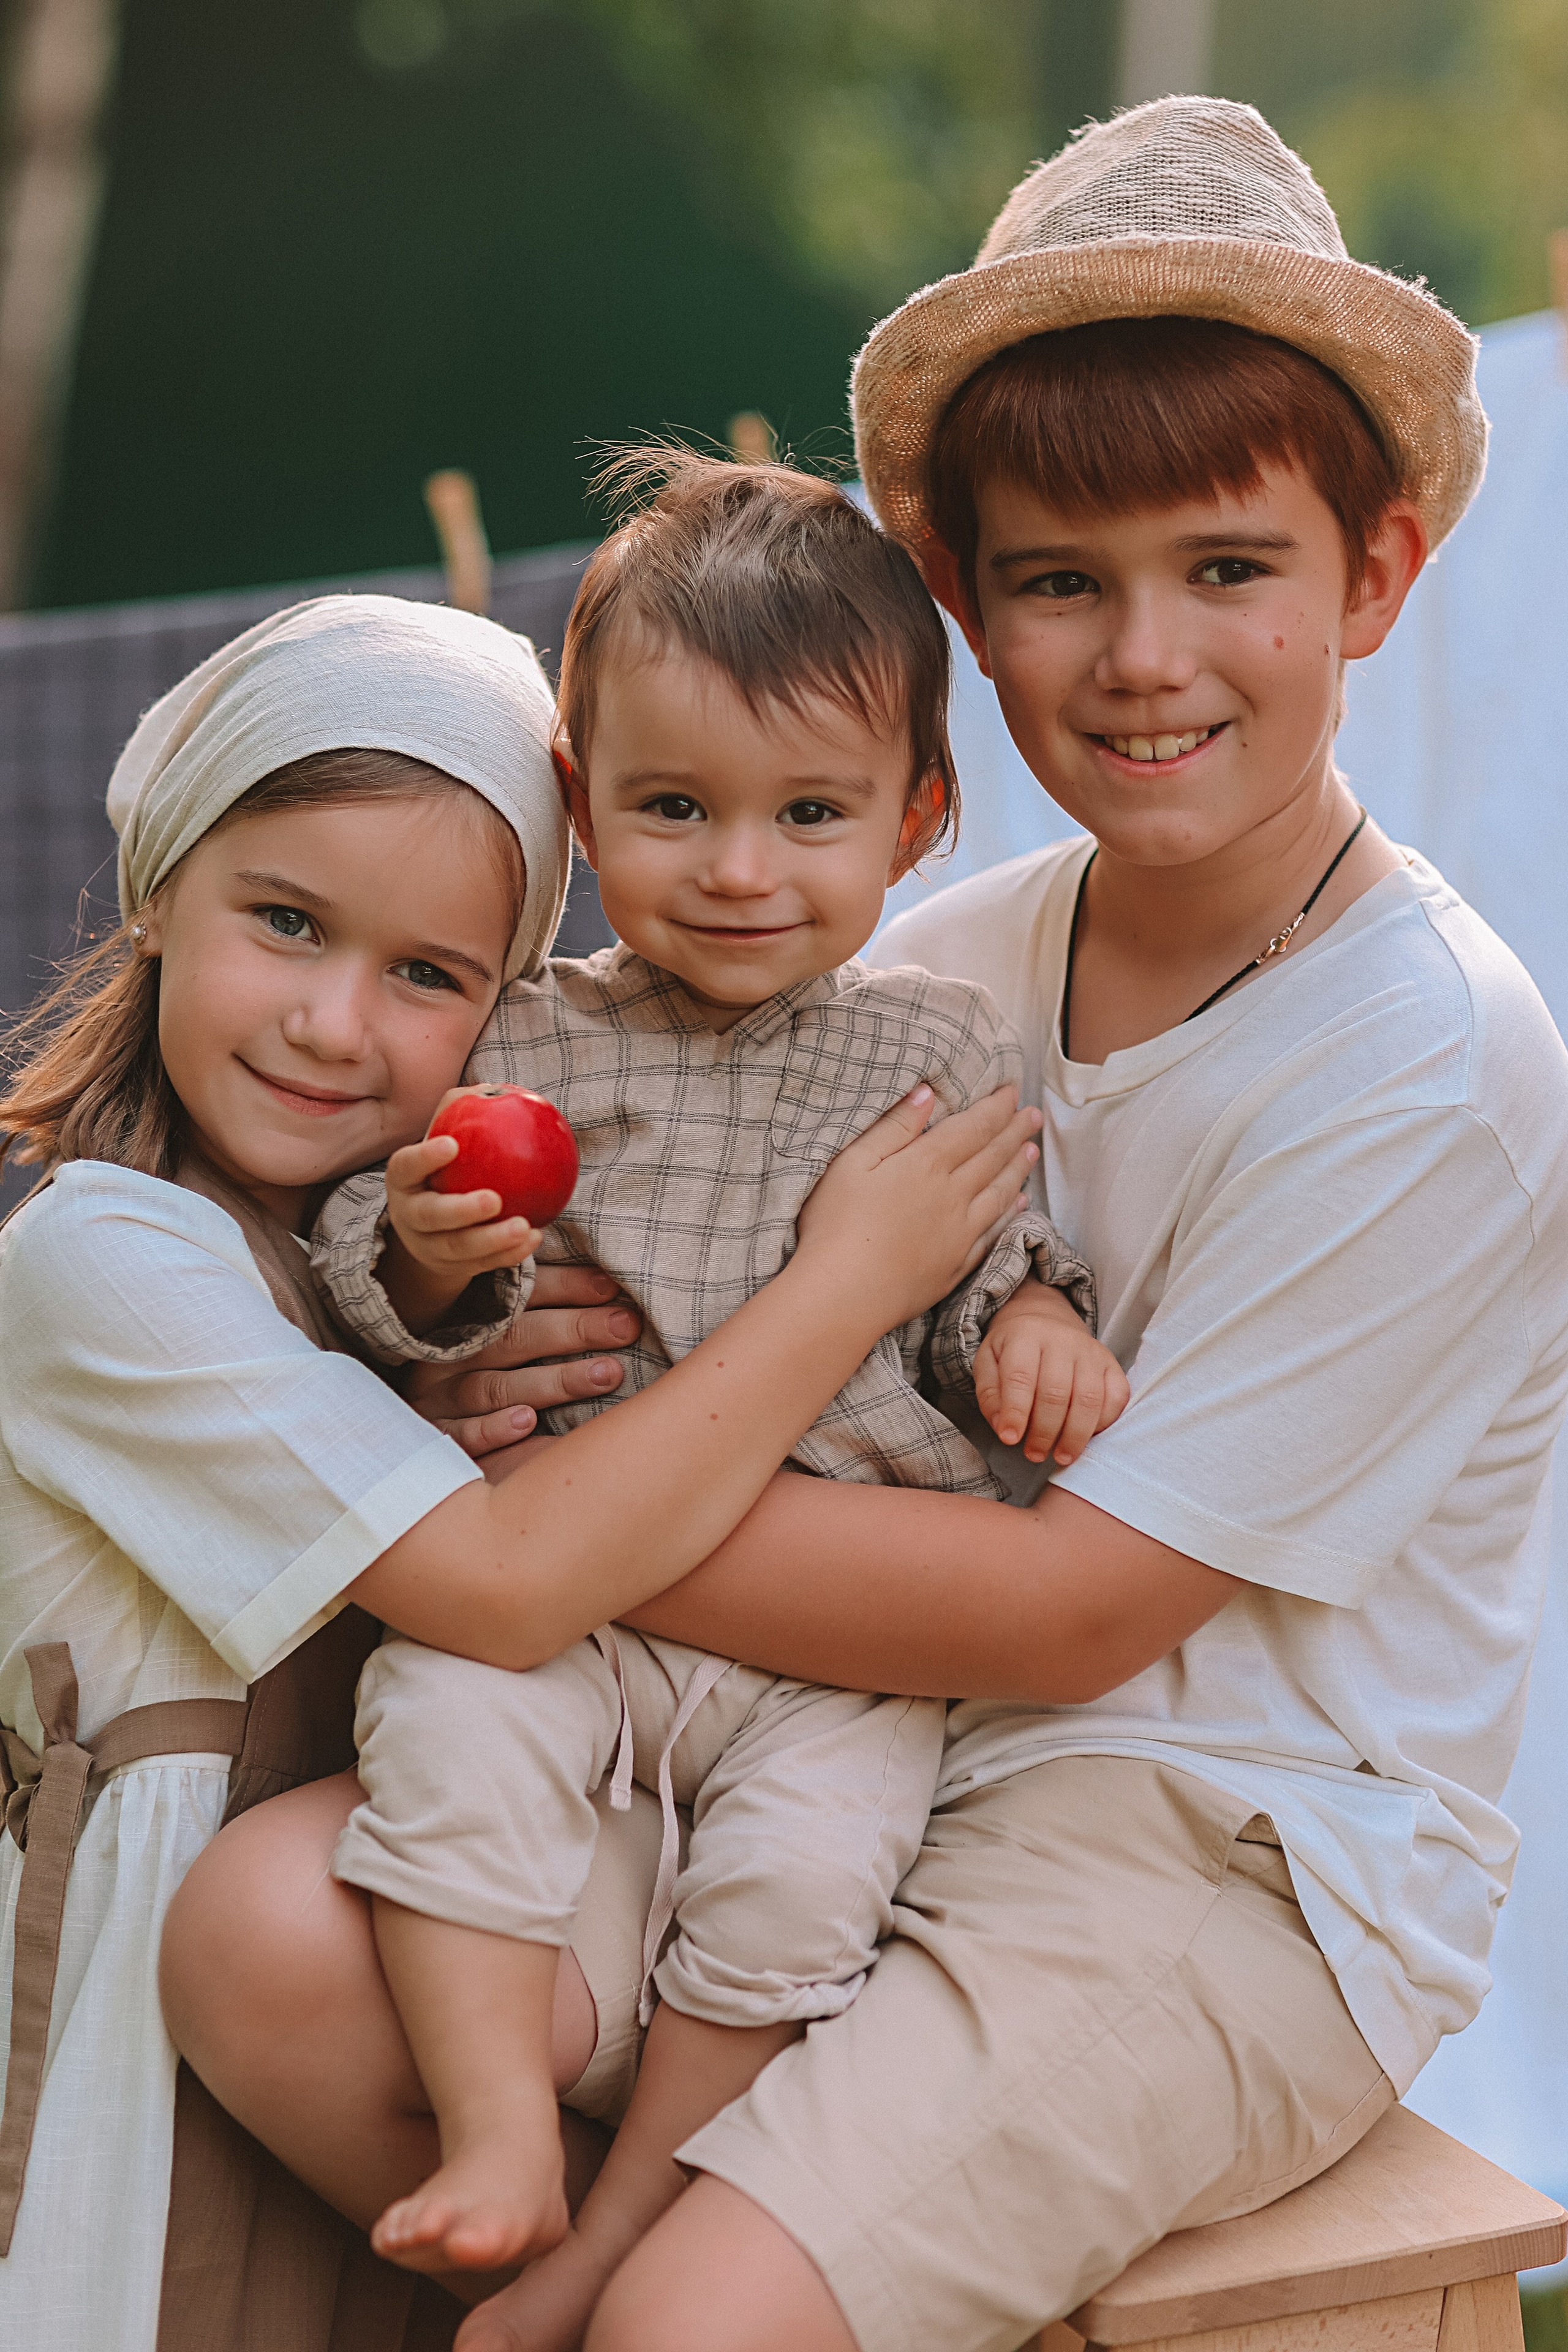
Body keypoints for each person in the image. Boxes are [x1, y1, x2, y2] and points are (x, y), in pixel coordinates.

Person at [164, 96, 1568, 2352]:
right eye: (1057, 581)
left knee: (687, 2330)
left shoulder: (1426, 1060)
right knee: (258, 1934)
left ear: (1376, 576)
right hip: (815, 1724)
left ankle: (684, 2278)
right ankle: (729, 2244)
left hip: (1221, 1850)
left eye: (1229, 568)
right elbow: (591, 1252)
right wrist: (483, 1344)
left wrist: (546, 1491)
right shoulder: (930, 966)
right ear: (960, 613)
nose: (1142, 657)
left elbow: (1078, 1617)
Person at [0, 593, 1036, 2352]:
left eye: (427, 976)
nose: (336, 1023)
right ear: (162, 891)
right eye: (284, 923)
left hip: (424, 1986)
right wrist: (852, 1278)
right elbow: (497, 1581)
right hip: (171, 2034)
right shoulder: (102, 1263)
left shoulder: (428, 1259)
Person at [293, 454, 1124, 2333]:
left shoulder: (932, 1042)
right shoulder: (521, 1033)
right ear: (581, 803)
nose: (741, 870)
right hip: (571, 1594)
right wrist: (425, 1259)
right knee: (441, 1728)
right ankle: (501, 2130)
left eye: (809, 812)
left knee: (808, 1887)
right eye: (677, 808)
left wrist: (1035, 1331)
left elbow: (995, 1257)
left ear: (916, 818)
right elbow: (377, 1274)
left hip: (841, 1634)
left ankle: (620, 2233)